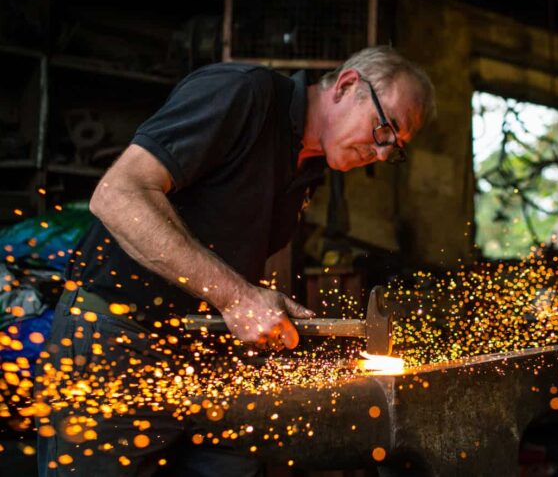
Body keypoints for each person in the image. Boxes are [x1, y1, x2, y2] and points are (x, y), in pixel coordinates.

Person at [34, 46, 435, 476]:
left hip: (205, 359)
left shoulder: (308, 170)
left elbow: (237, 264)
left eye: (393, 148)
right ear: (348, 85)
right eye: (383, 129)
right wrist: (237, 298)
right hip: (117, 341)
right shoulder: (243, 95)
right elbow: (117, 195)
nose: (379, 154)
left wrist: (268, 307)